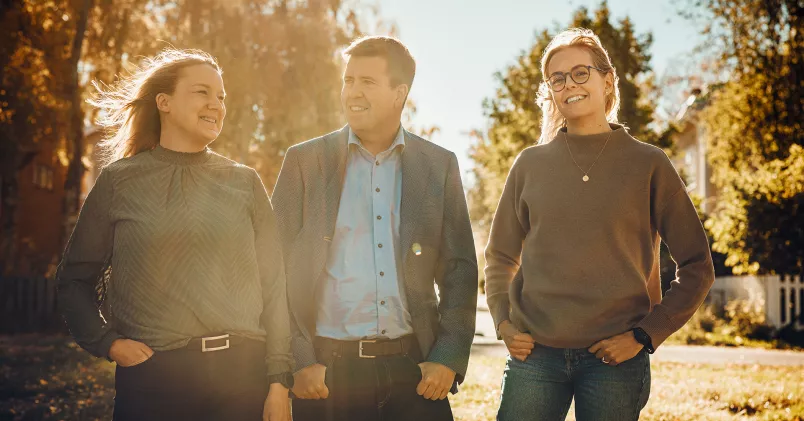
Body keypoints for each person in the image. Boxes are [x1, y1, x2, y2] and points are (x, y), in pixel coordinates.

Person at [484, 28, 715, 421]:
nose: (569, 84)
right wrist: (503, 322)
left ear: (607, 81)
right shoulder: (530, 165)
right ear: (549, 91)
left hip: (615, 361)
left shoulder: (649, 163)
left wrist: (645, 335)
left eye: (580, 73)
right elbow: (500, 256)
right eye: (557, 78)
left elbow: (698, 266)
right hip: (535, 355)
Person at [57, 49, 293, 421]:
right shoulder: (120, 181)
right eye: (202, 92)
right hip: (154, 381)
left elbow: (275, 287)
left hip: (242, 379)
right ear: (163, 102)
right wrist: (109, 343)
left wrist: (279, 380)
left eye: (221, 96)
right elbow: (73, 281)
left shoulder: (244, 183)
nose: (216, 104)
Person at [272, 36, 477, 421]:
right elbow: (272, 269)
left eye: (367, 81)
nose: (353, 92)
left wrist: (447, 356)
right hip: (327, 374)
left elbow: (460, 270)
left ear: (399, 93)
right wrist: (298, 360)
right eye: (348, 81)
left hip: (414, 371)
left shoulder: (439, 165)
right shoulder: (304, 162)